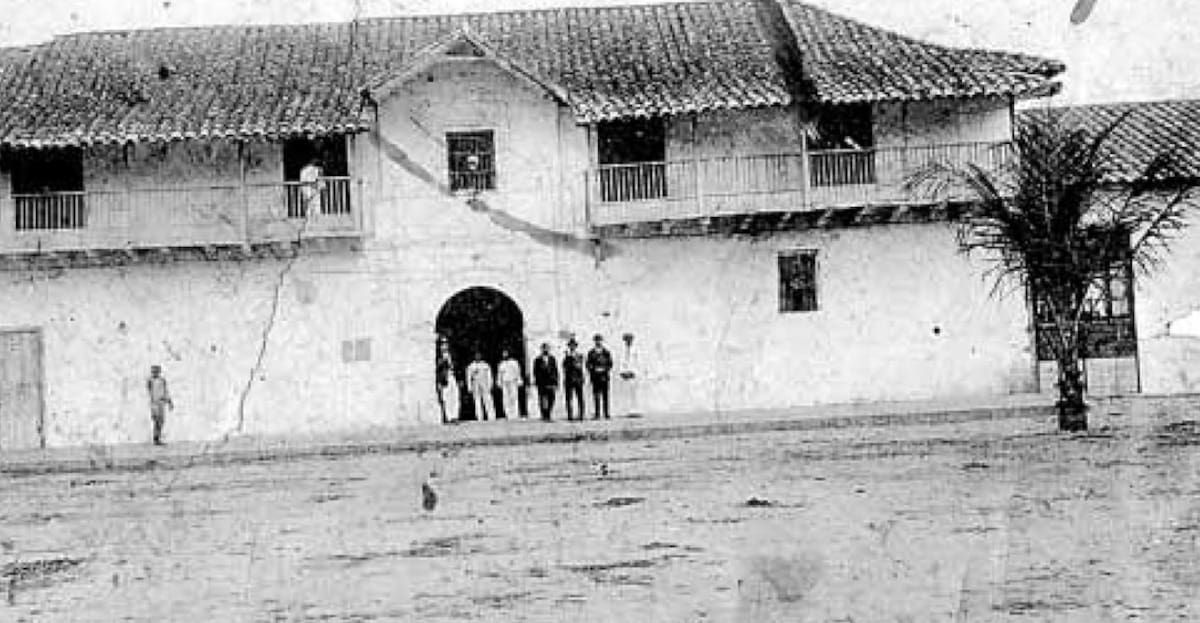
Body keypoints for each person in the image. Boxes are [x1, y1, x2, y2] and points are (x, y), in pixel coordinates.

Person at [586, 333, 613, 420]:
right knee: (596, 396)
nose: (598, 342)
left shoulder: (606, 352)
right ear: (594, 342)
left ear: (602, 341)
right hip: (595, 378)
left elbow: (610, 364)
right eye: (597, 340)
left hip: (604, 377)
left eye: (600, 340)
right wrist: (594, 369)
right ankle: (597, 414)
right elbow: (588, 365)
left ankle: (606, 413)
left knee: (605, 396)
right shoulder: (591, 353)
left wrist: (604, 369)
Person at [146, 365, 174, 445]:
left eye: (156, 371)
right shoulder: (150, 380)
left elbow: (166, 391)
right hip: (154, 403)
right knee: (156, 420)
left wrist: (169, 401)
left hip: (161, 402)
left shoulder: (162, 380)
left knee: (161, 421)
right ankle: (155, 438)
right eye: (153, 371)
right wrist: (152, 403)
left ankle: (158, 438)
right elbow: (149, 392)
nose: (155, 373)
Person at [532, 342, 559, 421]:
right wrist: (537, 381)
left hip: (551, 382)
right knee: (543, 399)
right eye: (544, 348)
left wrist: (556, 381)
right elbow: (535, 372)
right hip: (542, 383)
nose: (545, 350)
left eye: (547, 348)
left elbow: (555, 370)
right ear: (541, 349)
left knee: (551, 398)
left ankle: (549, 413)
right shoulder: (537, 360)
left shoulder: (552, 359)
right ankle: (545, 415)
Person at [435, 339, 460, 424]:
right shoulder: (438, 357)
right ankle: (449, 417)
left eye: (446, 343)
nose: (444, 346)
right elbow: (437, 369)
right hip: (444, 378)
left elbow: (456, 366)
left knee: (455, 396)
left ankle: (455, 416)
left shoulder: (452, 355)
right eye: (443, 344)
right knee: (447, 397)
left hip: (452, 376)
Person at [618, 332, 642, 416]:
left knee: (635, 392)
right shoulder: (622, 350)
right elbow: (621, 361)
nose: (628, 342)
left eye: (629, 340)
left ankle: (636, 409)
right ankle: (628, 410)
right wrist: (622, 372)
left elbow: (638, 362)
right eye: (626, 340)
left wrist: (634, 371)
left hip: (634, 374)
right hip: (626, 374)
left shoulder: (636, 350)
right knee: (626, 392)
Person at [466, 352, 494, 421]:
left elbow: (489, 375)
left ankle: (491, 416)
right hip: (475, 383)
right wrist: (469, 386)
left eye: (479, 356)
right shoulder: (471, 366)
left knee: (488, 399)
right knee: (477, 400)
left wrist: (490, 384)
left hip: (484, 383)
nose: (477, 357)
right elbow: (468, 377)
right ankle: (479, 416)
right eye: (476, 356)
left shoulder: (485, 365)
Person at [563, 337, 586, 421]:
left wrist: (582, 378)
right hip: (569, 379)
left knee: (580, 397)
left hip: (578, 379)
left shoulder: (579, 355)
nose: (572, 347)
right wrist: (568, 357)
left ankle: (581, 415)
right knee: (569, 398)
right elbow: (565, 367)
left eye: (573, 346)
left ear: (576, 346)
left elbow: (580, 366)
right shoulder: (567, 356)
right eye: (570, 346)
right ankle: (570, 415)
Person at [497, 349, 523, 419]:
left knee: (514, 398)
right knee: (506, 399)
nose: (505, 355)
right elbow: (499, 374)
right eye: (503, 354)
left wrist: (519, 380)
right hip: (505, 382)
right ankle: (508, 414)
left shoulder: (514, 362)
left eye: (506, 353)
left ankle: (516, 414)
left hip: (513, 381)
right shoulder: (501, 364)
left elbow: (518, 371)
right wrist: (499, 381)